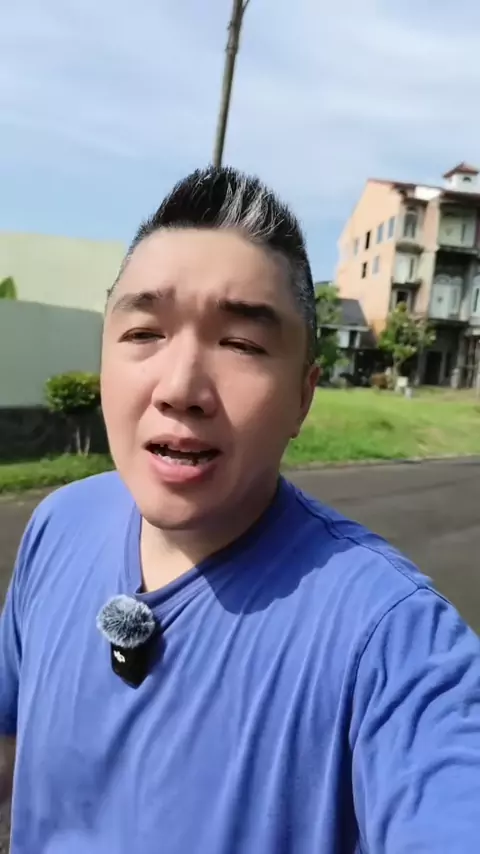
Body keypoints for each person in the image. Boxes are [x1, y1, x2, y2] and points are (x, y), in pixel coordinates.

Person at [1, 166, 479, 853]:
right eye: (144, 333)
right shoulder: (59, 524)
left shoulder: (392, 639)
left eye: (242, 344)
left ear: (303, 397)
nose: (180, 388)